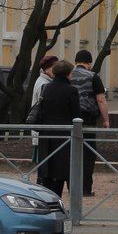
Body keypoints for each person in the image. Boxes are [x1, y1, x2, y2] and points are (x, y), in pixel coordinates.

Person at [70, 49, 110, 197]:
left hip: (70, 119)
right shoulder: (93, 77)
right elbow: (101, 100)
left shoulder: (68, 74)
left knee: (71, 153)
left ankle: (71, 187)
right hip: (87, 120)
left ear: (76, 62)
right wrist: (106, 120)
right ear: (89, 63)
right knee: (87, 155)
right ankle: (85, 188)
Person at [38, 60, 80, 197]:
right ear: (68, 74)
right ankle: (59, 203)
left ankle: (47, 201)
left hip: (46, 134)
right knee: (61, 172)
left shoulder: (46, 88)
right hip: (64, 136)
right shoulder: (71, 90)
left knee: (47, 172)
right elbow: (76, 116)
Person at [31, 54, 58, 181]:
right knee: (43, 164)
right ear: (47, 69)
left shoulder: (44, 82)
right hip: (43, 131)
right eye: (55, 67)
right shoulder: (43, 84)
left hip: (42, 131)